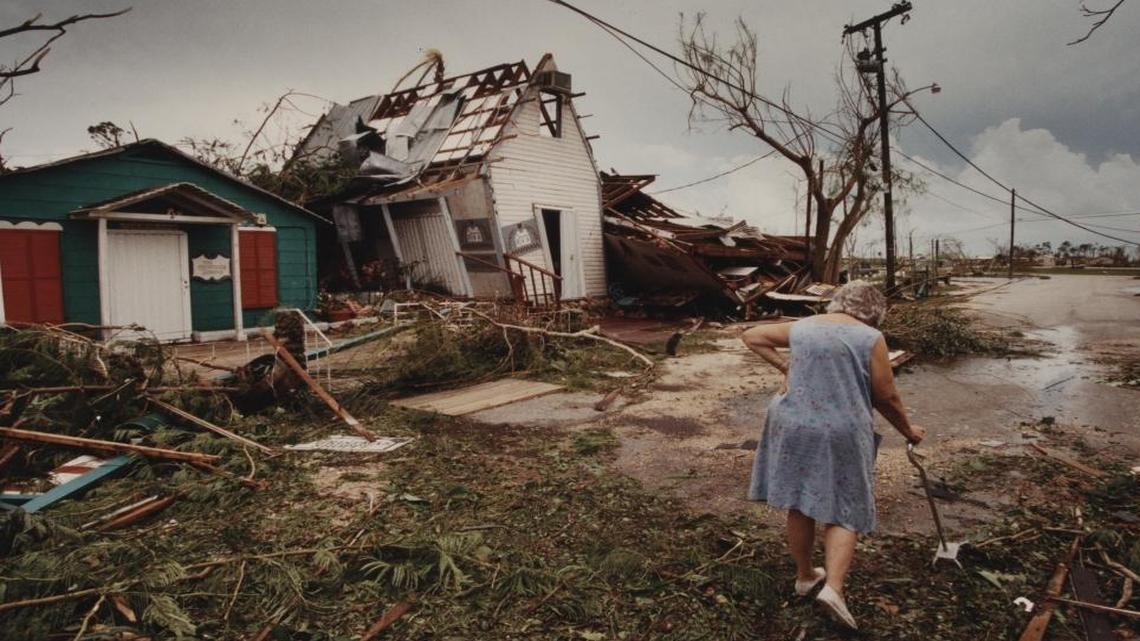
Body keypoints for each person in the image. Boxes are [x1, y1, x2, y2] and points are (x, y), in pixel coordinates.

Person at [741, 280, 925, 630]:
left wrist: (786, 369)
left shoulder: (804, 327)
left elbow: (752, 336)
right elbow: (885, 396)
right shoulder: (870, 338)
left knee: (799, 498)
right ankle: (834, 589)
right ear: (876, 312)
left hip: (791, 421)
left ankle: (806, 576)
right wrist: (909, 431)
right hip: (838, 426)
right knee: (846, 502)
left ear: (837, 302)